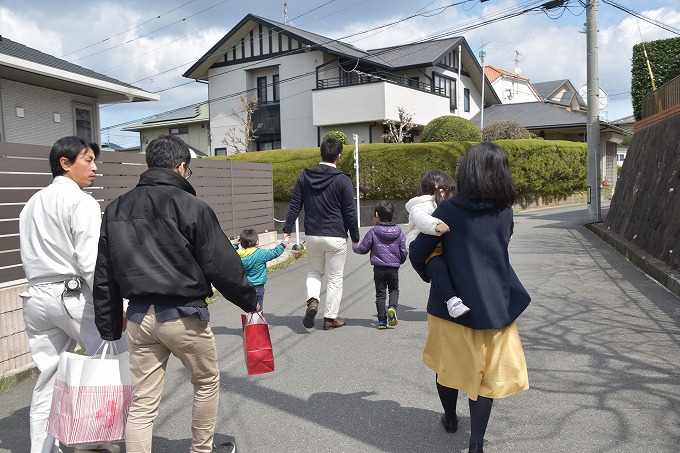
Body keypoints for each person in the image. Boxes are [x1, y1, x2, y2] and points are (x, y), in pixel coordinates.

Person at [93, 135, 258, 453]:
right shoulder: (192, 207)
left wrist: (109, 325)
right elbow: (221, 265)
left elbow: (104, 275)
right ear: (181, 167)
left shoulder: (115, 209)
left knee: (142, 403)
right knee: (206, 382)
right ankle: (201, 450)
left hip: (139, 319)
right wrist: (250, 301)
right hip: (184, 317)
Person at [409, 142, 531, 453]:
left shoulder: (449, 210)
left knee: (447, 366)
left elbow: (419, 251)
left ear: (467, 172)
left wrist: (434, 268)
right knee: (486, 375)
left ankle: (450, 418)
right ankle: (476, 443)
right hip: (496, 305)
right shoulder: (505, 211)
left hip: (451, 306)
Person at [19, 136, 123, 453]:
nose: (95, 167)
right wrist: (114, 305)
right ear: (65, 163)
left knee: (49, 377)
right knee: (113, 360)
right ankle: (94, 442)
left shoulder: (31, 204)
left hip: (36, 297)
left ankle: (43, 449)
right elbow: (91, 261)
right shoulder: (81, 202)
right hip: (74, 295)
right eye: (88, 160)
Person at [282, 136, 360, 330]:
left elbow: (295, 205)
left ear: (321, 153)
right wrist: (356, 238)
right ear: (339, 156)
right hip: (335, 235)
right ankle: (329, 318)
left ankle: (313, 301)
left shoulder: (305, 176)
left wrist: (286, 230)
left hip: (312, 234)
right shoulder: (342, 180)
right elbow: (350, 211)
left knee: (314, 271)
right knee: (335, 278)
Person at [405, 170, 470, 318]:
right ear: (442, 190)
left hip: (436, 246)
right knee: (437, 266)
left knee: (442, 268)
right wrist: (436, 225)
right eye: (451, 190)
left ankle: (453, 299)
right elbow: (422, 219)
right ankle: (452, 301)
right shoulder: (422, 205)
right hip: (423, 245)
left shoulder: (441, 204)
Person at [352, 201, 407, 329]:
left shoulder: (373, 231)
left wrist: (355, 245)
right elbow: (403, 250)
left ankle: (382, 321)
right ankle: (392, 308)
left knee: (380, 293)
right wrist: (400, 261)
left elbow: (363, 249)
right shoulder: (399, 231)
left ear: (377, 215)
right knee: (393, 289)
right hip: (393, 268)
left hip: (379, 268)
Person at [233, 228, 288, 311]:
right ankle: (256, 324)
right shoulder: (260, 254)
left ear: (241, 242)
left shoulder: (237, 255)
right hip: (258, 288)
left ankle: (250, 323)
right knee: (258, 311)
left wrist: (235, 245)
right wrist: (284, 242)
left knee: (249, 310)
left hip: (245, 288)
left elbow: (229, 253)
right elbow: (275, 252)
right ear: (257, 242)